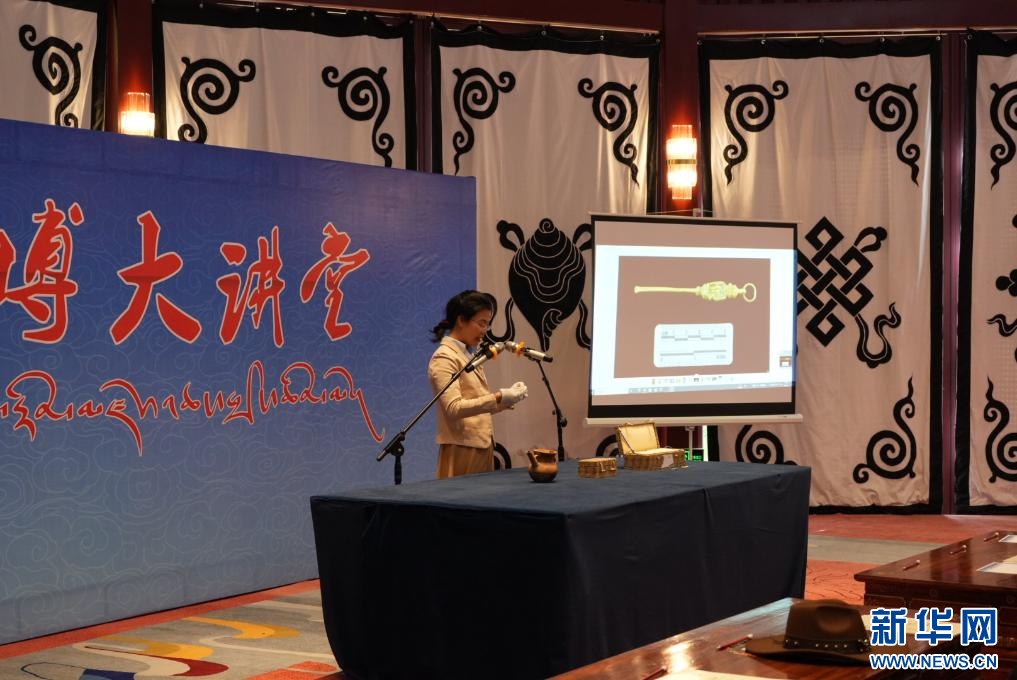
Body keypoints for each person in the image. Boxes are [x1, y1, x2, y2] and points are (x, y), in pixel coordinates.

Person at [428, 290, 528, 478]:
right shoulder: (444, 357)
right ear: (461, 320)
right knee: (461, 497)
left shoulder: (467, 353)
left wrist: (506, 400)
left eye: (487, 324)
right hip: (462, 447)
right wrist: (498, 396)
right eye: (481, 323)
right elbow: (453, 408)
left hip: (481, 444)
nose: (485, 330)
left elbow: (476, 404)